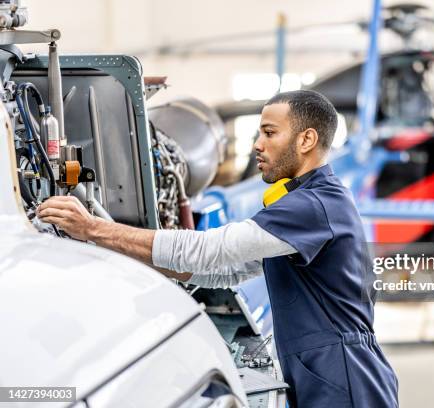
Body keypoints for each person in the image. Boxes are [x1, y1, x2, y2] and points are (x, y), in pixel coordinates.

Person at [38, 90, 399, 407]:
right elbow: (228, 270)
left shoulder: (312, 206)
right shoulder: (308, 201)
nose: (258, 143)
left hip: (344, 378)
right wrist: (143, 258)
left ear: (306, 140)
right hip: (328, 370)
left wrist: (94, 229)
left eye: (269, 132)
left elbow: (213, 250)